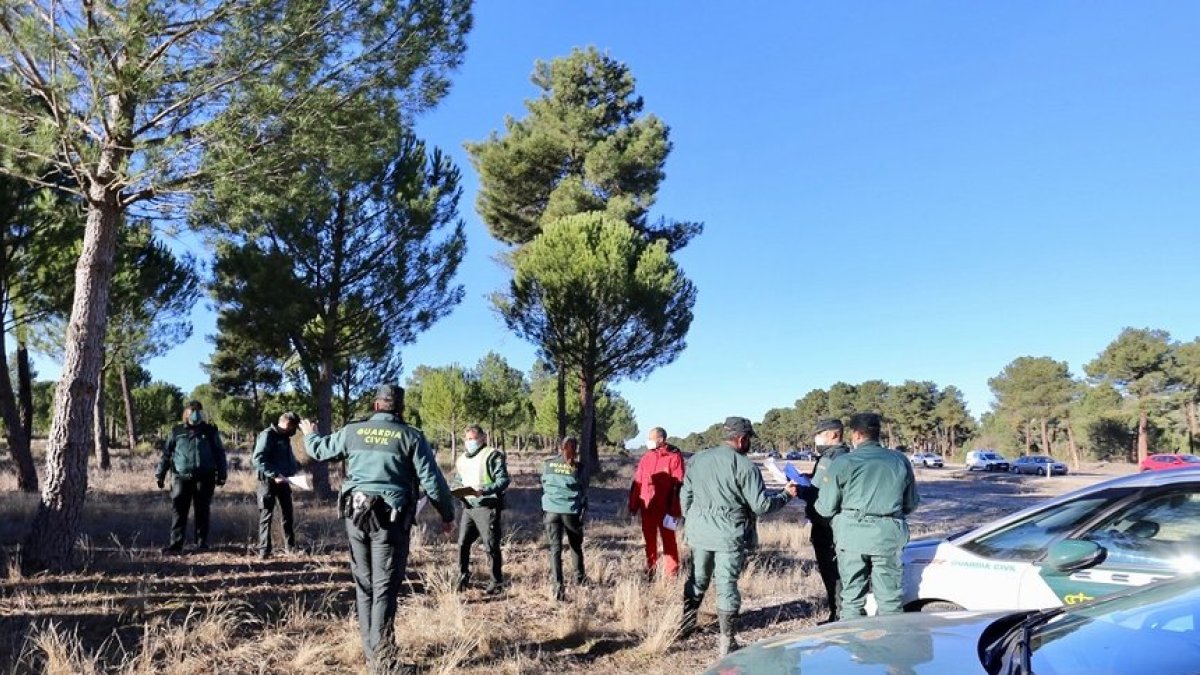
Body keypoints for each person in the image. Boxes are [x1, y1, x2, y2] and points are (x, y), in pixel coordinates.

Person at [300, 384, 456, 670]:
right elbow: (432, 481)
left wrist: (309, 434)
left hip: (355, 516)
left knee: (365, 586)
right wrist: (447, 514)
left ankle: (375, 657)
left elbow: (320, 450)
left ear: (375, 407)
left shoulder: (352, 431)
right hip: (389, 519)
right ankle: (383, 663)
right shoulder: (411, 436)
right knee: (384, 588)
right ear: (401, 408)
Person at [680, 416, 799, 657]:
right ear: (741, 439)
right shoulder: (746, 467)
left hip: (699, 531)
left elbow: (685, 498)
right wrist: (786, 495)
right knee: (726, 584)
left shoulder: (697, 460)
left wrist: (694, 520)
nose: (750, 444)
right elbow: (761, 506)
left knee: (697, 578)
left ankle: (685, 625)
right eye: (749, 440)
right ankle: (727, 641)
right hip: (728, 533)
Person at [815, 412, 920, 618]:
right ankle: (889, 645)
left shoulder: (843, 463)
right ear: (877, 434)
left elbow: (825, 508)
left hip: (852, 537)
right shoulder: (900, 460)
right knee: (890, 600)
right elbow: (911, 503)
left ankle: (854, 644)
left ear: (856, 434)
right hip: (887, 536)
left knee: (852, 600)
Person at [155, 400, 228, 553]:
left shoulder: (210, 431)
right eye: (191, 411)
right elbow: (166, 455)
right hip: (181, 477)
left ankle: (201, 543)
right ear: (186, 414)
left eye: (197, 411)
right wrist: (160, 474)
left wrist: (222, 474)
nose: (194, 414)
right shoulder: (176, 431)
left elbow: (219, 453)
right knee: (179, 511)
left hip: (205, 476)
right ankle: (176, 544)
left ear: (202, 414)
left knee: (202, 510)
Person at [799, 418, 852, 623]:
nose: (816, 439)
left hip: (827, 525)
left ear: (833, 435)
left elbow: (818, 493)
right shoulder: (841, 456)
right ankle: (836, 613)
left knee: (833, 574)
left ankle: (837, 617)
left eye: (819, 434)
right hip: (831, 523)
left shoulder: (831, 458)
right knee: (834, 573)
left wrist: (799, 490)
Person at [453, 424, 510, 594]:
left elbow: (503, 480)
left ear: (482, 438)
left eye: (473, 439)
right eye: (468, 439)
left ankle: (496, 582)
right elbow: (458, 479)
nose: (470, 442)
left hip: (487, 506)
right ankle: (462, 578)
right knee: (463, 543)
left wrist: (484, 489)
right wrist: (455, 490)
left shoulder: (492, 455)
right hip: (468, 507)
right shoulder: (462, 459)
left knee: (490, 545)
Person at [628, 426, 685, 579]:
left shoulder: (674, 457)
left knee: (669, 541)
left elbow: (679, 484)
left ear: (661, 439)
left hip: (668, 508)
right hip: (648, 507)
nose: (648, 441)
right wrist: (633, 504)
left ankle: (672, 574)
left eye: (651, 438)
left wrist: (676, 510)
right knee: (649, 541)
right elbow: (638, 481)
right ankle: (651, 569)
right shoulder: (646, 457)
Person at [540, 436, 589, 601]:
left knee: (555, 549)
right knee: (575, 545)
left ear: (560, 448)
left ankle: (557, 585)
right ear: (575, 449)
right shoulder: (579, 468)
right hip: (570, 511)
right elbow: (583, 488)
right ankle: (579, 578)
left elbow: (543, 483)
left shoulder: (547, 464)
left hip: (550, 511)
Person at [252, 411, 301, 558]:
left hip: (284, 481)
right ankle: (264, 551)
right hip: (267, 482)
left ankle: (290, 548)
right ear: (288, 424)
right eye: (294, 427)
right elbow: (258, 459)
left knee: (288, 514)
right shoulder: (267, 435)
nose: (294, 431)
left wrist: (293, 470)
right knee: (266, 515)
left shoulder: (285, 437)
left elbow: (287, 459)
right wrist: (274, 474)